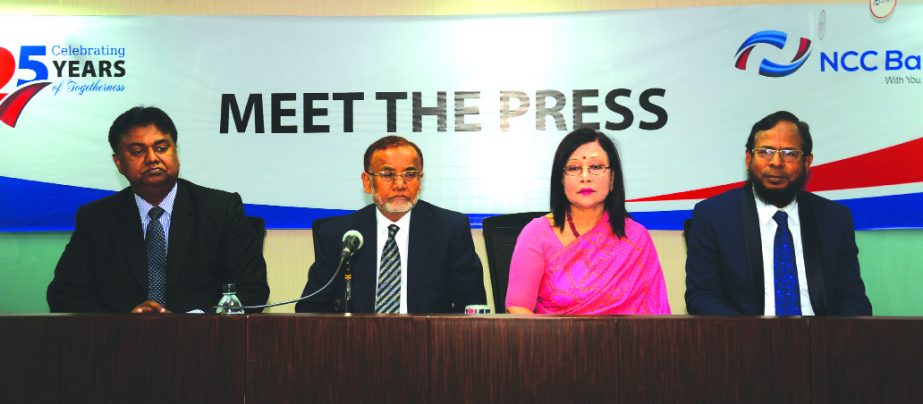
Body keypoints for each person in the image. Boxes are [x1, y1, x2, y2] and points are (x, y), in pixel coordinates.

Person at [47, 106, 269, 313]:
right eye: (137, 151)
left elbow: (252, 290)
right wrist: (121, 323)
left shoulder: (220, 210)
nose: (152, 159)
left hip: (203, 344)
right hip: (122, 347)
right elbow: (65, 295)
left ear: (175, 151)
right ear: (118, 163)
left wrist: (191, 321)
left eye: (161, 148)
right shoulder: (96, 219)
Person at [684, 111, 872, 316]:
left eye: (789, 153)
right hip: (745, 339)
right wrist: (752, 335)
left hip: (819, 338)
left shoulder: (834, 218)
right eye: (765, 151)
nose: (776, 162)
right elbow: (701, 296)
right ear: (749, 158)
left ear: (807, 162)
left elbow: (852, 298)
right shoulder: (715, 216)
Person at [295, 135, 486, 313]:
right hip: (357, 343)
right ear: (367, 182)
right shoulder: (339, 234)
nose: (400, 184)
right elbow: (311, 307)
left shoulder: (449, 229)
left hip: (429, 342)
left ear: (420, 180)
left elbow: (471, 304)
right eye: (388, 174)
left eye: (410, 174)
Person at [505, 128, 671, 315]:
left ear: (612, 179)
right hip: (554, 342)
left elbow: (656, 315)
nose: (585, 177)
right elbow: (518, 308)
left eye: (597, 167)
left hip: (624, 343)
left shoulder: (635, 238)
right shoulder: (536, 234)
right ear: (561, 179)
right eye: (574, 168)